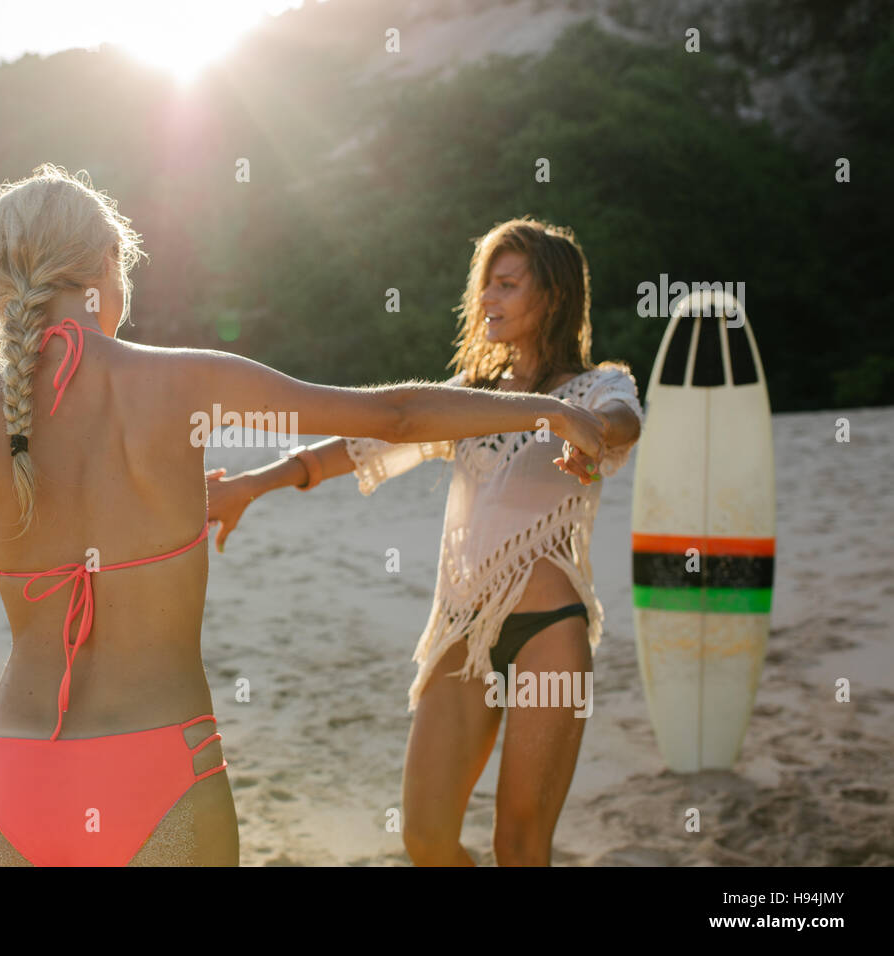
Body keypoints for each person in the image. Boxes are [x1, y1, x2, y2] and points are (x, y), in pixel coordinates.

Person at [0, 168, 607, 866]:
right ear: (107, 269)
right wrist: (550, 412)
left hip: (16, 781)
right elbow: (390, 416)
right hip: (164, 777)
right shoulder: (185, 382)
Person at [208, 218, 643, 865]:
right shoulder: (466, 401)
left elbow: (622, 423)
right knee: (425, 836)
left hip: (551, 630)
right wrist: (250, 484)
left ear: (550, 296)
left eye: (506, 285)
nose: (487, 299)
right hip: (462, 634)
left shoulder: (595, 386)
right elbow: (357, 447)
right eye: (485, 286)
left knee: (521, 844)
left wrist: (588, 432)